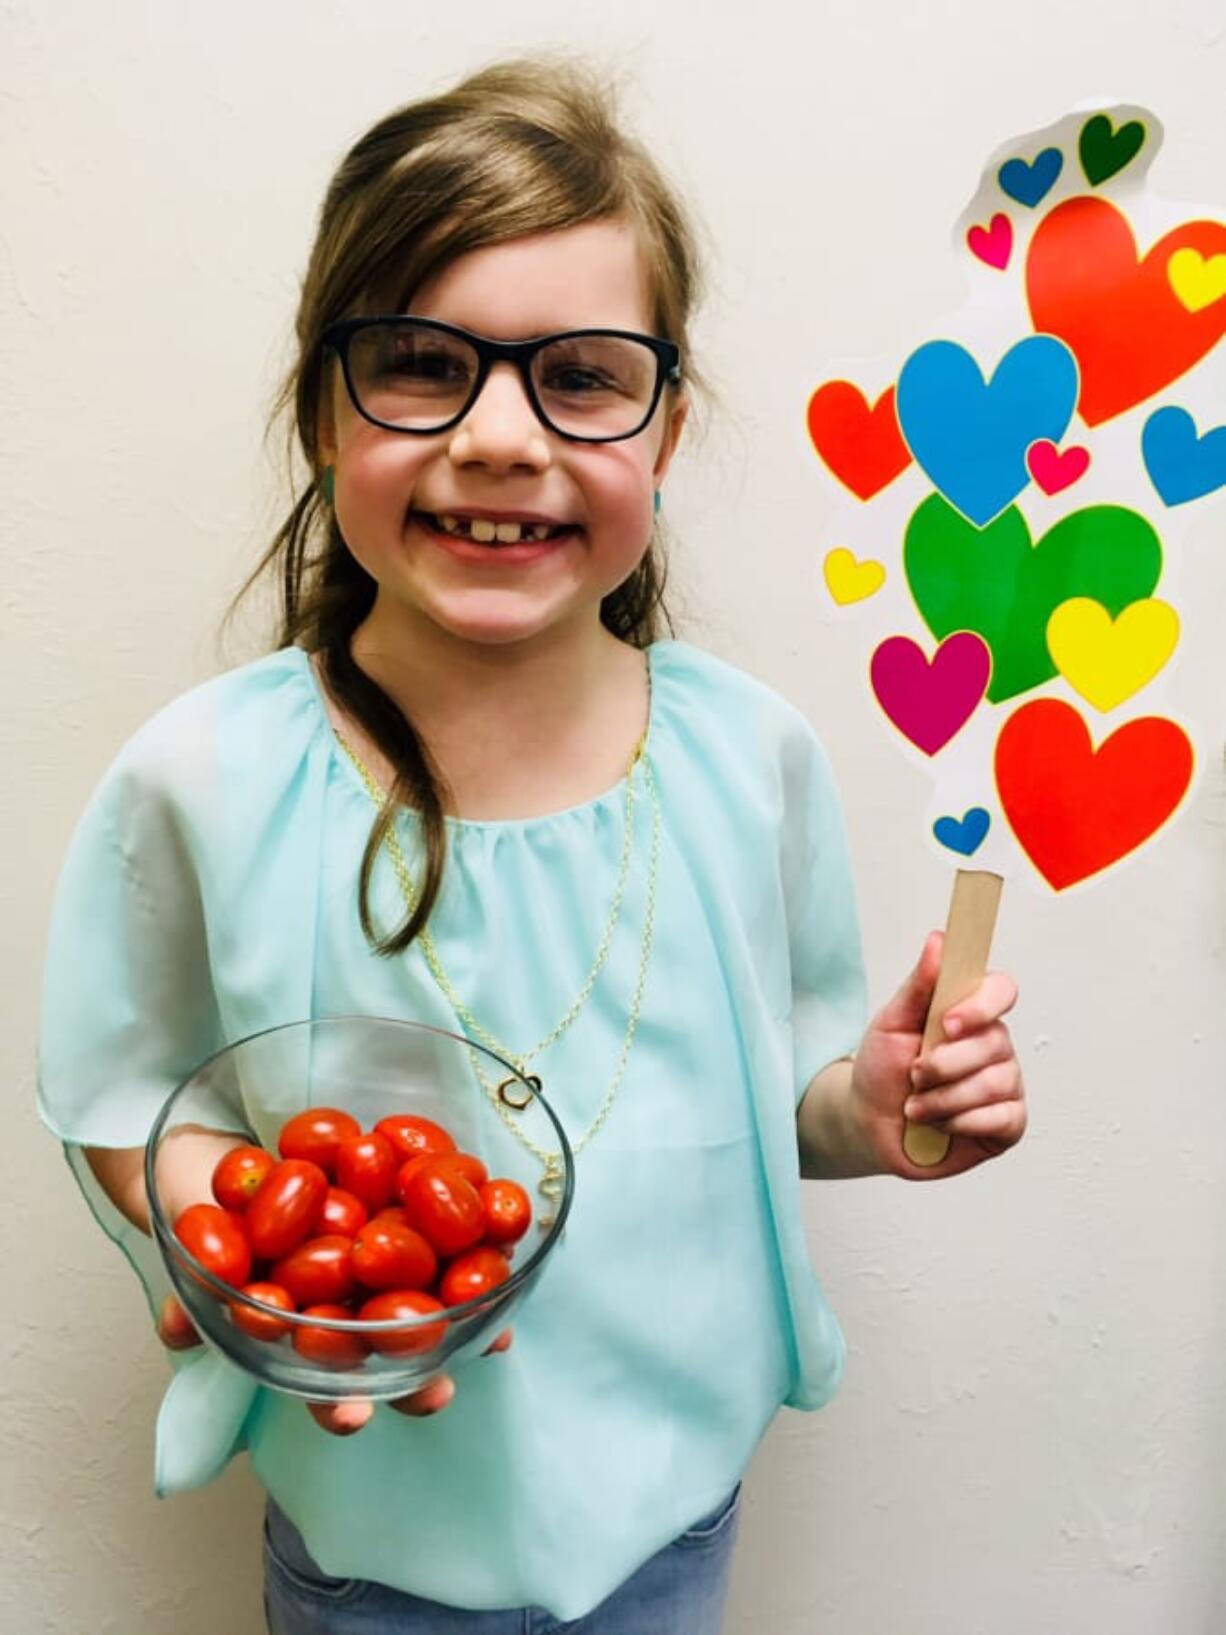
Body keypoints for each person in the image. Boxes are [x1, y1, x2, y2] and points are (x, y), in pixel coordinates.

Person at [37, 55, 1026, 1635]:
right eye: (420, 363)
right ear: (318, 408)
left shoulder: (747, 759)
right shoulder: (202, 776)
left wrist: (880, 1104)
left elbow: (790, 1109)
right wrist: (262, 1251)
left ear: (668, 427)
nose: (502, 436)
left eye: (581, 376)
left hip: (673, 1528)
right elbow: (114, 1092)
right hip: (371, 1541)